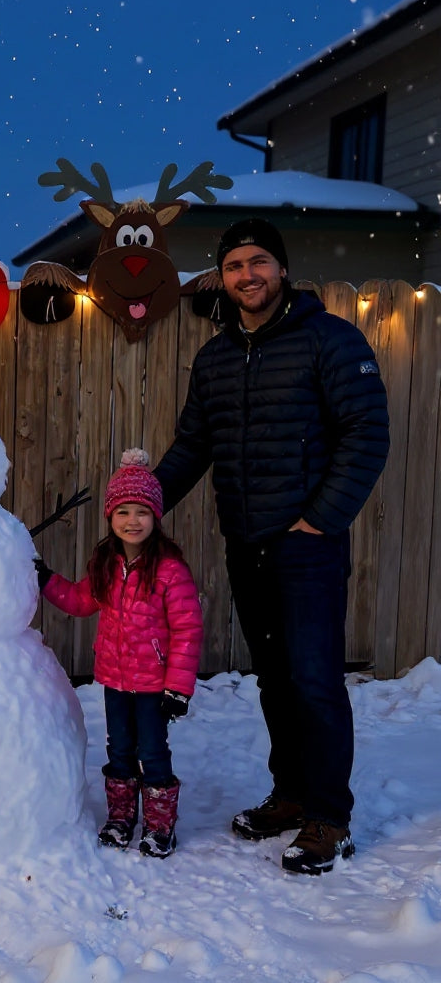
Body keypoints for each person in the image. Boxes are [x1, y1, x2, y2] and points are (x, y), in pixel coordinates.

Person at [153, 217, 390, 875]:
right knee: (277, 683)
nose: (247, 275)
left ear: (281, 269)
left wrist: (320, 519)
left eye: (259, 261)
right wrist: (142, 500)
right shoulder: (217, 357)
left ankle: (328, 817)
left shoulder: (331, 341)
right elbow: (193, 446)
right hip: (247, 544)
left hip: (307, 548)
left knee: (314, 682)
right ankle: (291, 795)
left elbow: (366, 434)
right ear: (223, 279)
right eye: (234, 266)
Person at [37, 449, 203, 859]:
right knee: (120, 749)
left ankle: (160, 826)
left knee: (153, 752)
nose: (133, 521)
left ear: (156, 517)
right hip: (115, 679)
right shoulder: (106, 565)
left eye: (142, 512)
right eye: (123, 512)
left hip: (154, 685)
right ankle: (121, 818)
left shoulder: (169, 570)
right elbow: (79, 601)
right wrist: (44, 579)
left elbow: (187, 629)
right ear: (110, 517)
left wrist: (178, 688)